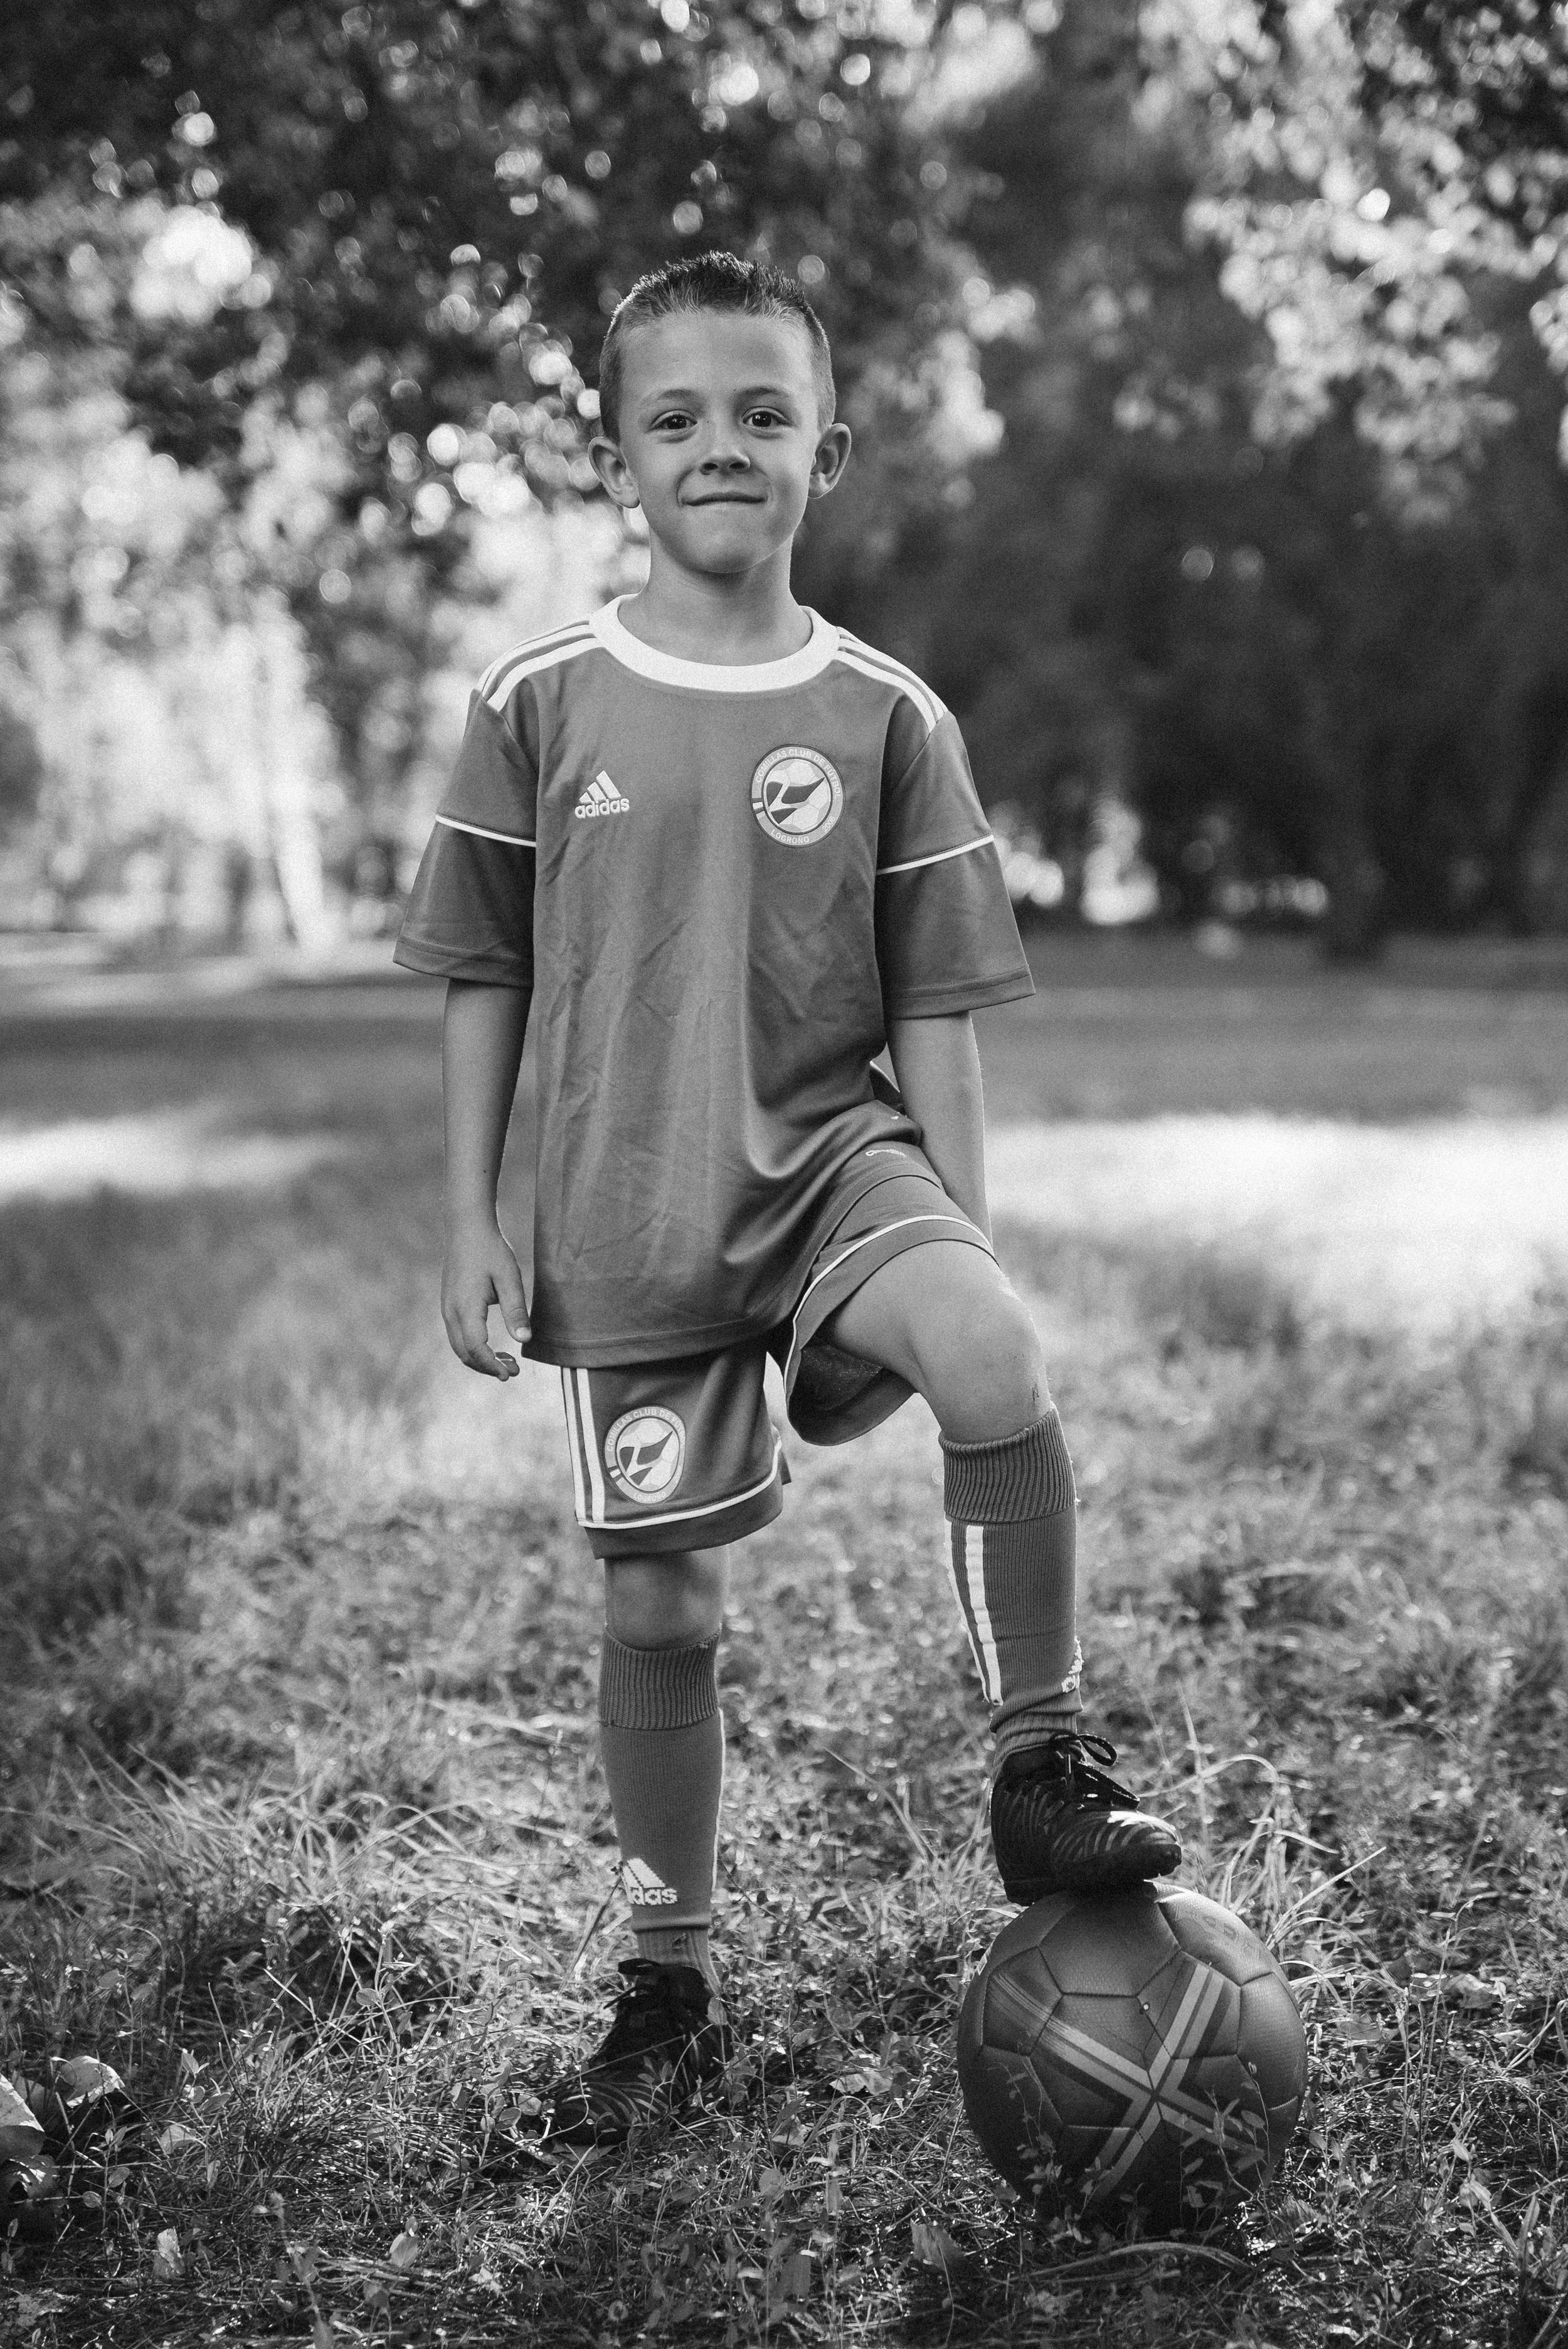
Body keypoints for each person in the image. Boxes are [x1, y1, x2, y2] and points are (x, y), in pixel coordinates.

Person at [394, 252, 1180, 2146]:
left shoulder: (886, 710)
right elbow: (480, 973)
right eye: (677, 416)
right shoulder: (536, 699)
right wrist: (471, 1216)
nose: (721, 445)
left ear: (828, 445)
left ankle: (1039, 1756)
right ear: (615, 453)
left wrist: (960, 1228)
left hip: (836, 1157)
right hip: (624, 1202)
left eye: (763, 412)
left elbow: (935, 1003)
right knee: (662, 1608)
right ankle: (668, 1970)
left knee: (990, 1351)